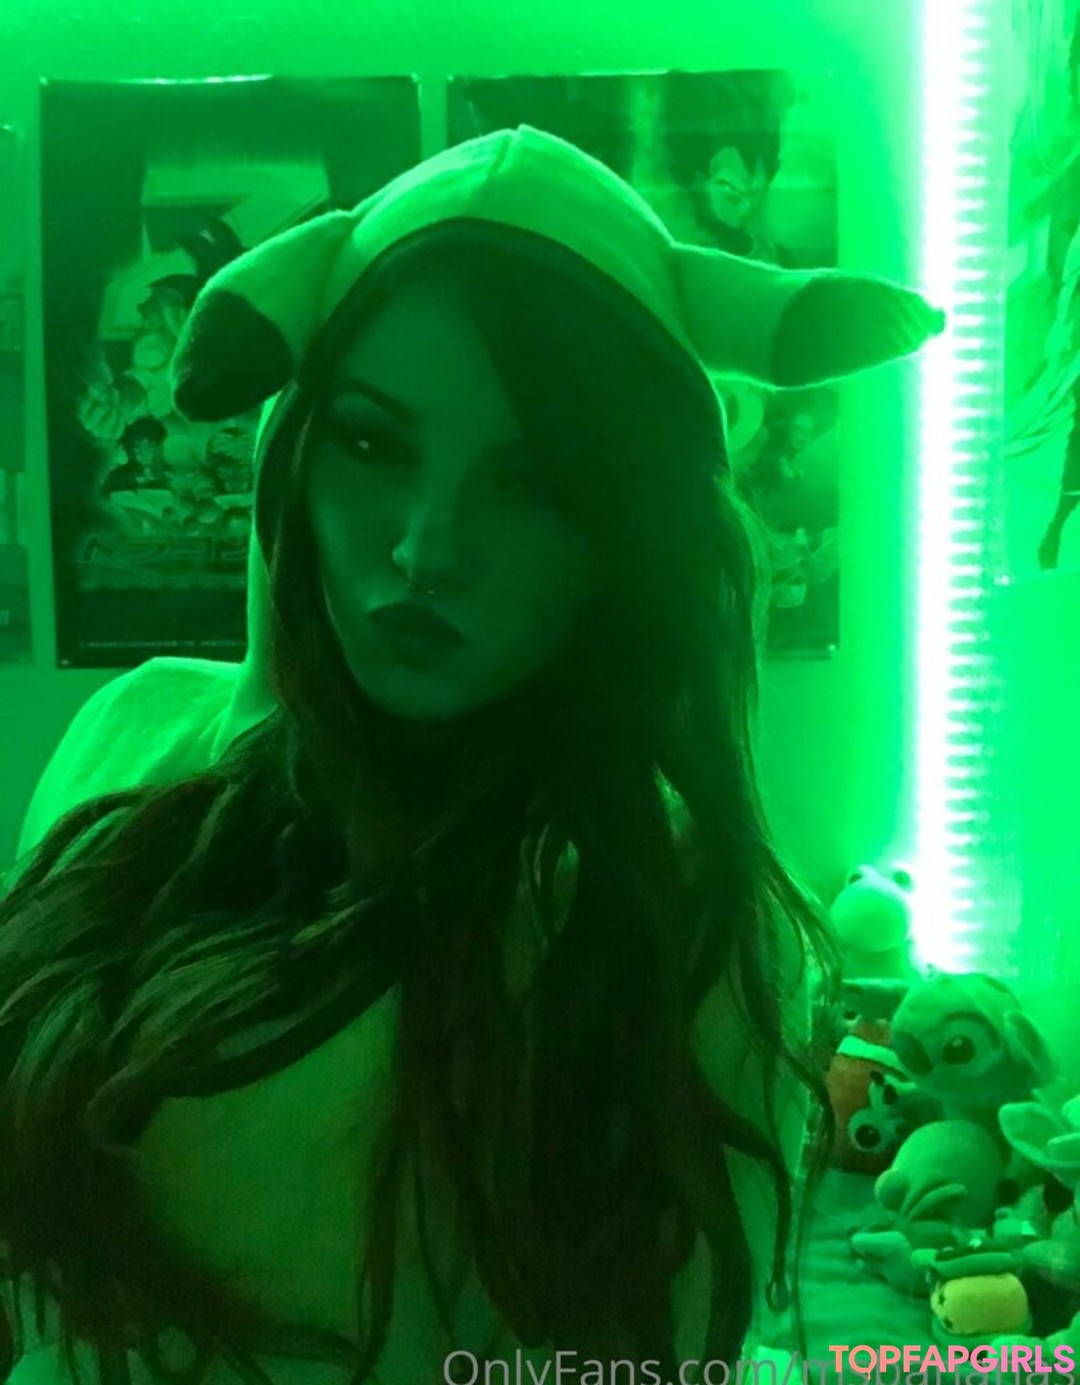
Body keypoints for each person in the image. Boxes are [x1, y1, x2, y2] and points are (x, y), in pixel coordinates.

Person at [0, 125, 944, 1385]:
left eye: (532, 480)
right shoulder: (133, 732)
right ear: (293, 449)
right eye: (372, 442)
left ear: (626, 532)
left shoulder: (664, 922)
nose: (426, 547)